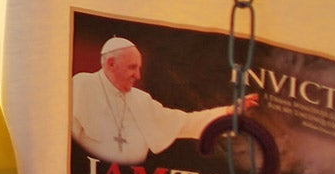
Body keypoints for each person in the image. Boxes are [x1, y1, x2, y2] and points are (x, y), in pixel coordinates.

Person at [69, 37, 257, 166]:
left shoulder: (140, 100)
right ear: (111, 64)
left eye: (139, 68)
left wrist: (227, 113)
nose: (138, 75)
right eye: (132, 68)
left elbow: (185, 123)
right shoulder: (83, 85)